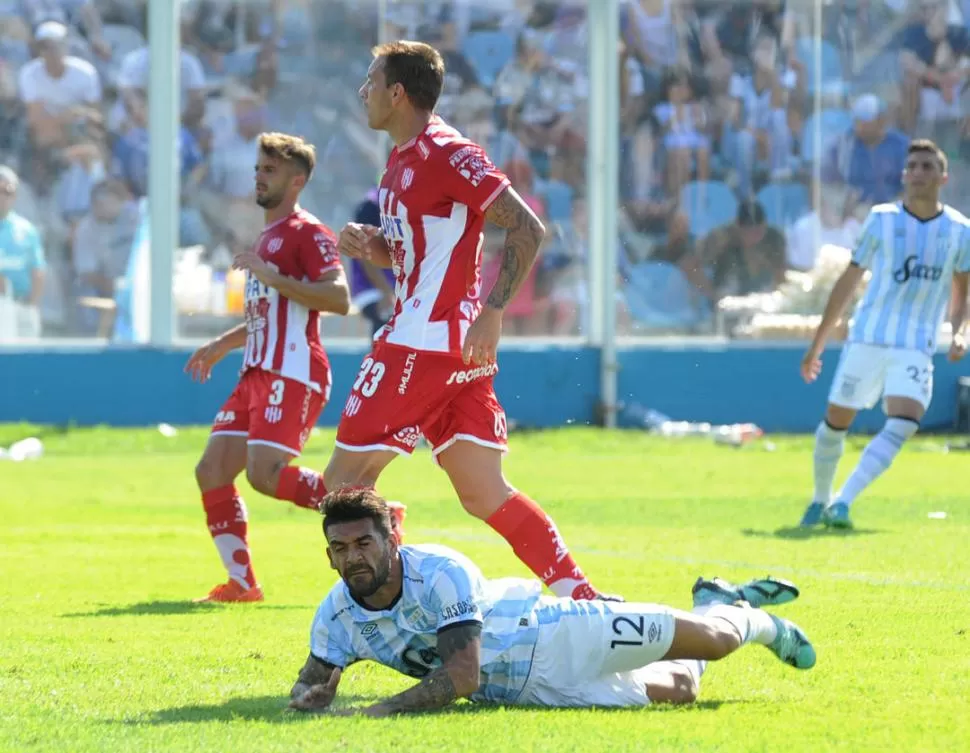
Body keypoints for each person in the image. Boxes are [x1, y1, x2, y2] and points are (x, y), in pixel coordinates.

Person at [308, 40, 611, 602]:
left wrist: (492, 312)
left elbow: (527, 228)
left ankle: (395, 604)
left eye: (371, 80)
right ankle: (583, 599)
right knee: (483, 492)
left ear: (398, 93)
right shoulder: (399, 159)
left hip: (422, 346)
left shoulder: (448, 151)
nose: (363, 92)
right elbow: (422, 259)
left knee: (342, 486)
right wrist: (374, 247)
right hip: (448, 350)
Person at [288, 489, 815, 716]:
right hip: (531, 694)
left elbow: (463, 676)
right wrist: (309, 695)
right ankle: (716, 599)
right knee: (680, 689)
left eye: (364, 543)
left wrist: (380, 711)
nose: (353, 557)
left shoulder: (439, 573)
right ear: (329, 556)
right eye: (340, 548)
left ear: (391, 541)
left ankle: (754, 621)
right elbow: (311, 679)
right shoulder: (336, 616)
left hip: (560, 633)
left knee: (717, 644)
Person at [183, 132, 352, 602]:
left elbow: (338, 298)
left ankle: (370, 511)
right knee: (212, 470)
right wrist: (222, 343)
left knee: (264, 474)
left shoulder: (307, 232)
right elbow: (271, 312)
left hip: (293, 371)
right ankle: (242, 583)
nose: (259, 177)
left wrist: (271, 274)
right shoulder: (268, 236)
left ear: (297, 181)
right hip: (256, 372)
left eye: (270, 170)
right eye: (258, 169)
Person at [799, 139, 970, 530]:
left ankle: (843, 501)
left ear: (943, 177)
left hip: (916, 343)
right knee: (835, 423)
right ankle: (819, 499)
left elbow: (963, 291)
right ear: (903, 175)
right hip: (869, 337)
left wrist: (961, 332)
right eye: (912, 167)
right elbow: (848, 280)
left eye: (927, 167)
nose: (918, 174)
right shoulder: (881, 219)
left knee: (906, 419)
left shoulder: (961, 231)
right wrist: (818, 343)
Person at [348, 187, 396, 337]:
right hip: (373, 289)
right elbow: (364, 252)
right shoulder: (372, 205)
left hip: (397, 290)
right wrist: (386, 291)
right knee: (387, 323)